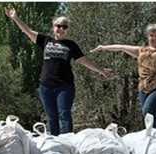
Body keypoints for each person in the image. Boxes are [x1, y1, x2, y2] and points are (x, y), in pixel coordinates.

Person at [6, 7, 113, 135]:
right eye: (58, 26)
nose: (61, 29)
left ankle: (67, 143)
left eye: (64, 27)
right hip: (46, 87)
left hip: (65, 87)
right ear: (53, 27)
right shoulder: (45, 40)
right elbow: (27, 31)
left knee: (65, 115)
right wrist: (15, 18)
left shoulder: (71, 45)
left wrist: (101, 70)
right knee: (52, 117)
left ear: (67, 30)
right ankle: (56, 146)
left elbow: (84, 61)